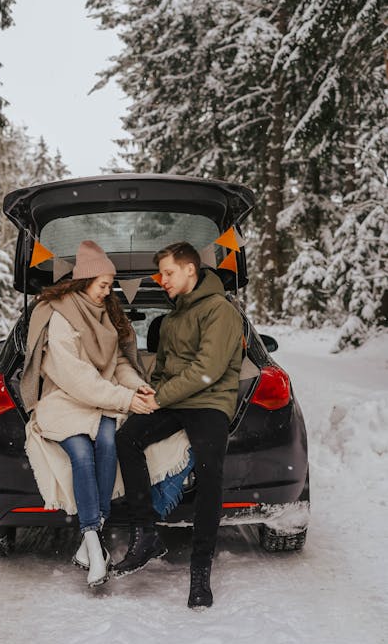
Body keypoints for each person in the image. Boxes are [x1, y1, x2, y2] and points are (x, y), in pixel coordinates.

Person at [113, 241, 243, 609]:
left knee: (209, 472)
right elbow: (166, 369)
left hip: (208, 402)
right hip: (174, 400)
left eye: (168, 273)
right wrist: (147, 390)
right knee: (127, 439)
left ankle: (200, 571)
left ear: (190, 269)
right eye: (160, 273)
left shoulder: (220, 310)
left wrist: (160, 397)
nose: (162, 279)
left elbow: (207, 371)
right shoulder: (170, 319)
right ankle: (146, 533)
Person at [20, 240, 154, 588]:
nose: (108, 292)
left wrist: (136, 386)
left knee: (107, 444)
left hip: (101, 398)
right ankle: (94, 540)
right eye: (103, 285)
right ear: (85, 280)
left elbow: (119, 362)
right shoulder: (61, 315)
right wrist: (125, 400)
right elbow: (76, 377)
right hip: (65, 398)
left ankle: (91, 542)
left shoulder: (108, 314)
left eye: (111, 286)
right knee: (81, 454)